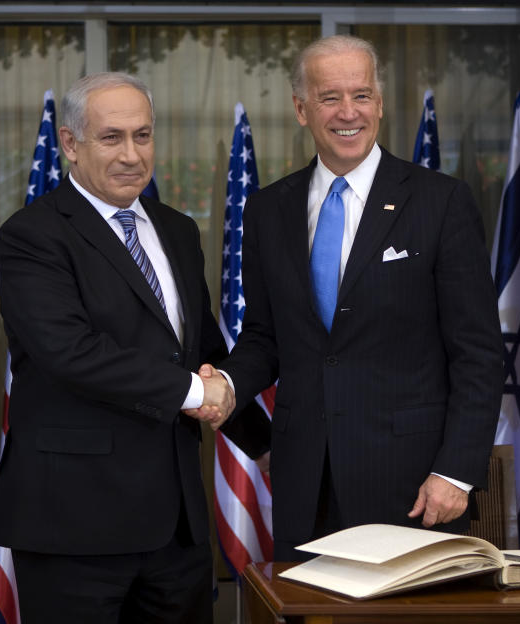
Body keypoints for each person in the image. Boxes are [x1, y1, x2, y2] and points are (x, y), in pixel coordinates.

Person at [210, 35, 504, 561]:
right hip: (305, 479)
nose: (349, 112)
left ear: (381, 105)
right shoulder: (267, 210)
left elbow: (477, 353)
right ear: (302, 109)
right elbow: (264, 336)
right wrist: (228, 382)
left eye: (362, 95)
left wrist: (455, 471)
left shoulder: (440, 202)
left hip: (413, 485)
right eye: (330, 98)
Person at [0, 72, 237, 623]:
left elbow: (201, 351)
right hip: (74, 527)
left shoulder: (177, 230)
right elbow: (70, 352)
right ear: (70, 144)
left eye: (142, 135)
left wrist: (259, 438)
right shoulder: (32, 235)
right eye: (111, 137)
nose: (131, 154)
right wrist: (198, 392)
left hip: (176, 531)